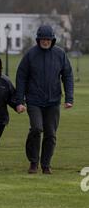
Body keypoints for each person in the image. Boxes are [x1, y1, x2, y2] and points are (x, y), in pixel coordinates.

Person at [16, 25, 74, 175]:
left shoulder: (60, 54)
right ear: (38, 39)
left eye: (48, 39)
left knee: (51, 134)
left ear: (52, 40)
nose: (45, 41)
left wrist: (69, 98)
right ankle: (33, 162)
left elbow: (67, 76)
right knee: (36, 128)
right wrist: (19, 101)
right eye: (43, 39)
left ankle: (46, 164)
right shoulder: (30, 55)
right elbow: (21, 77)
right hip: (34, 100)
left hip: (53, 101)